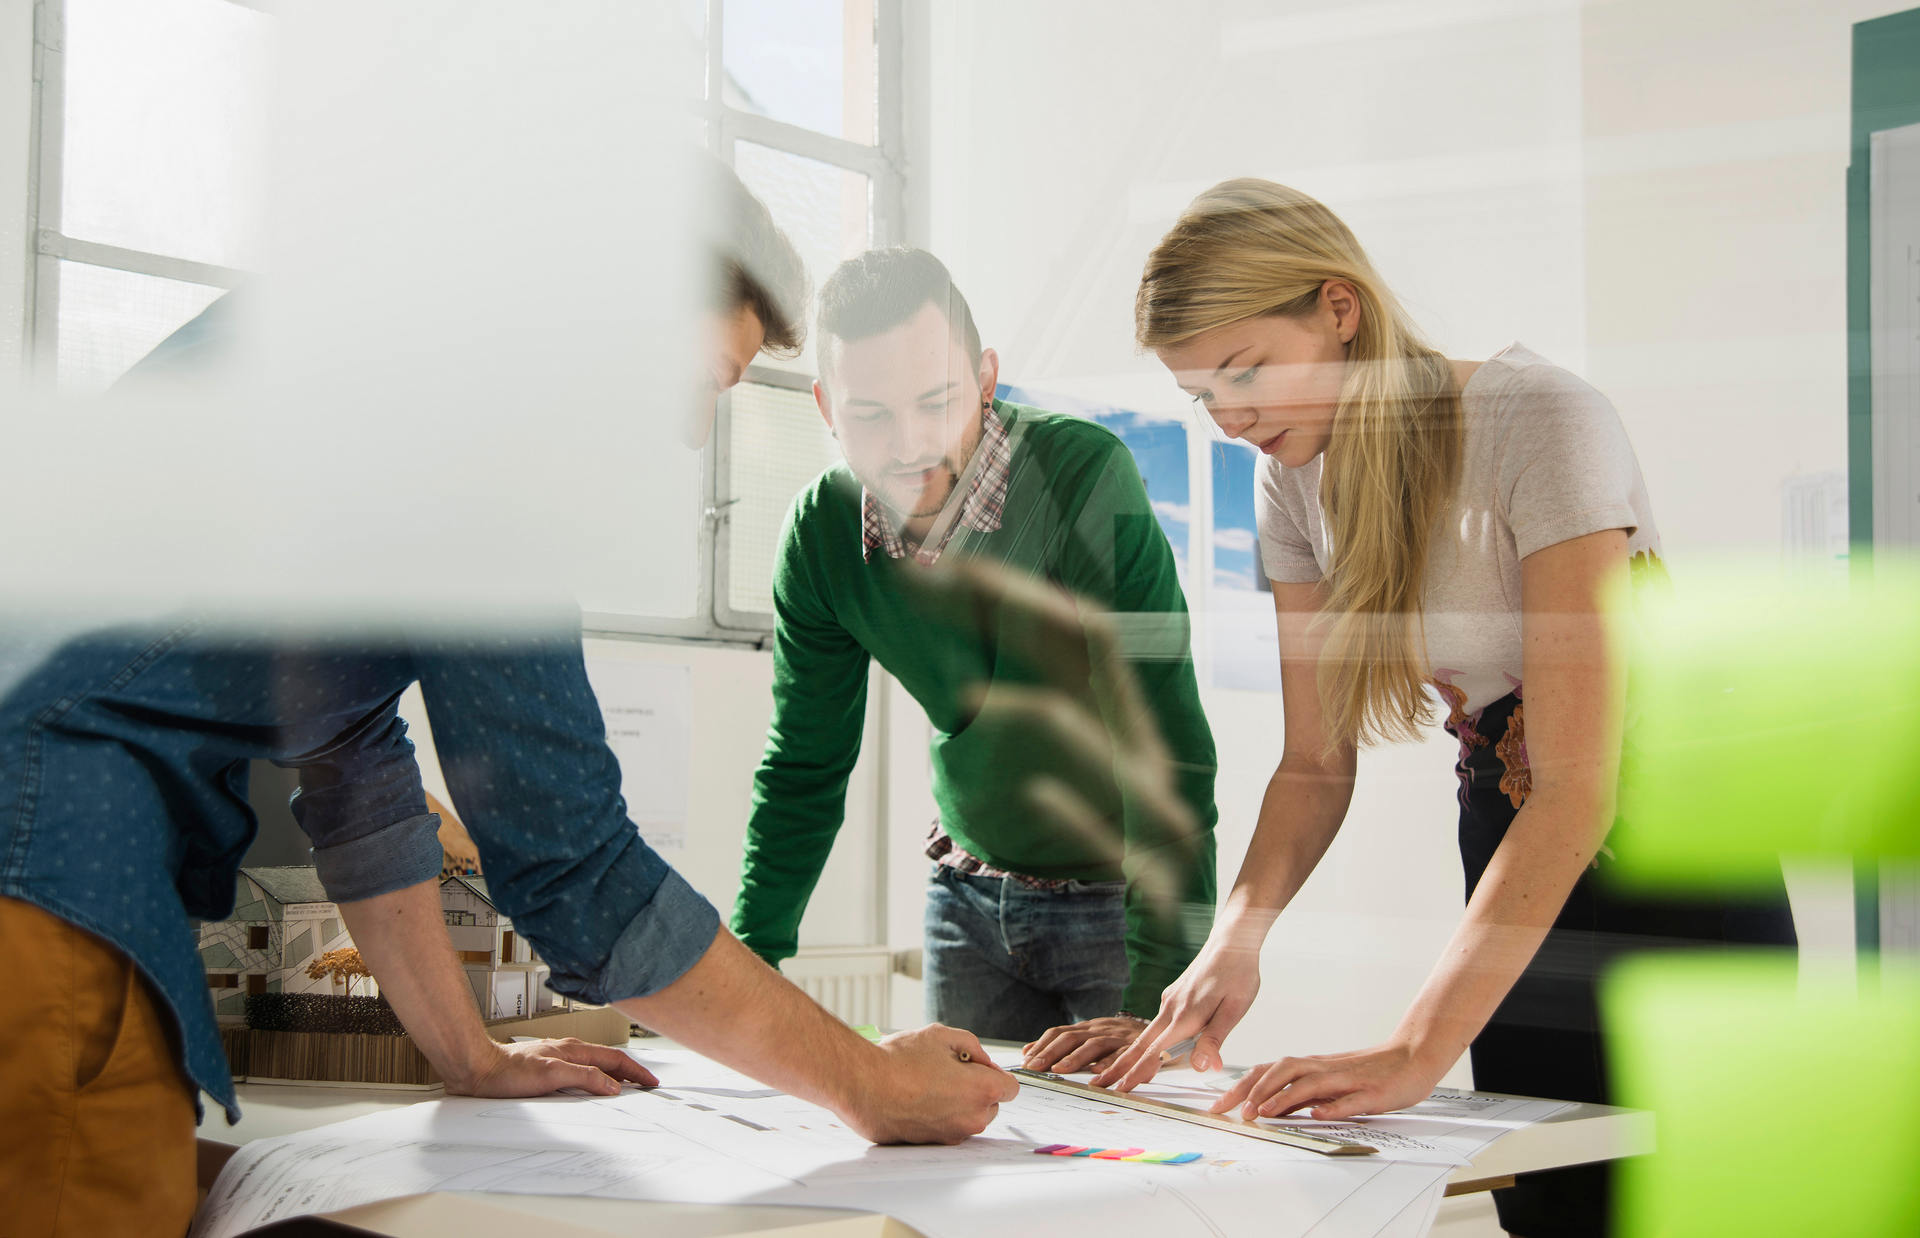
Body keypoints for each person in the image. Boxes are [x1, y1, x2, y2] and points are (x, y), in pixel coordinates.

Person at [0, 166, 1013, 1238]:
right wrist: (868, 1082)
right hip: (48, 878)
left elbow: (354, 760)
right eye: (695, 381)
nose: (680, 434)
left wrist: (470, 1058)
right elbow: (572, 857)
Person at [1023, 179, 1795, 1237]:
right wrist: (1230, 946)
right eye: (1205, 395)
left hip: (1676, 827)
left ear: (1339, 307)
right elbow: (1313, 762)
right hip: (1509, 808)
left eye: (1247, 371)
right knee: (1561, 1198)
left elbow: (1578, 782)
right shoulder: (1292, 480)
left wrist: (1414, 1050)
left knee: (1715, 1196)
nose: (1233, 416)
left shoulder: (1541, 418)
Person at [730, 246, 1219, 1045]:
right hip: (967, 899)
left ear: (987, 378)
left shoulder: (1082, 479)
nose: (910, 443)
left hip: (1118, 901)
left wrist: (1156, 998)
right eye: (871, 415)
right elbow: (804, 767)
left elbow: (1167, 751)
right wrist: (750, 967)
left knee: (1136, 1153)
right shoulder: (820, 534)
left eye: (937, 401)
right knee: (955, 1157)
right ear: (825, 407)